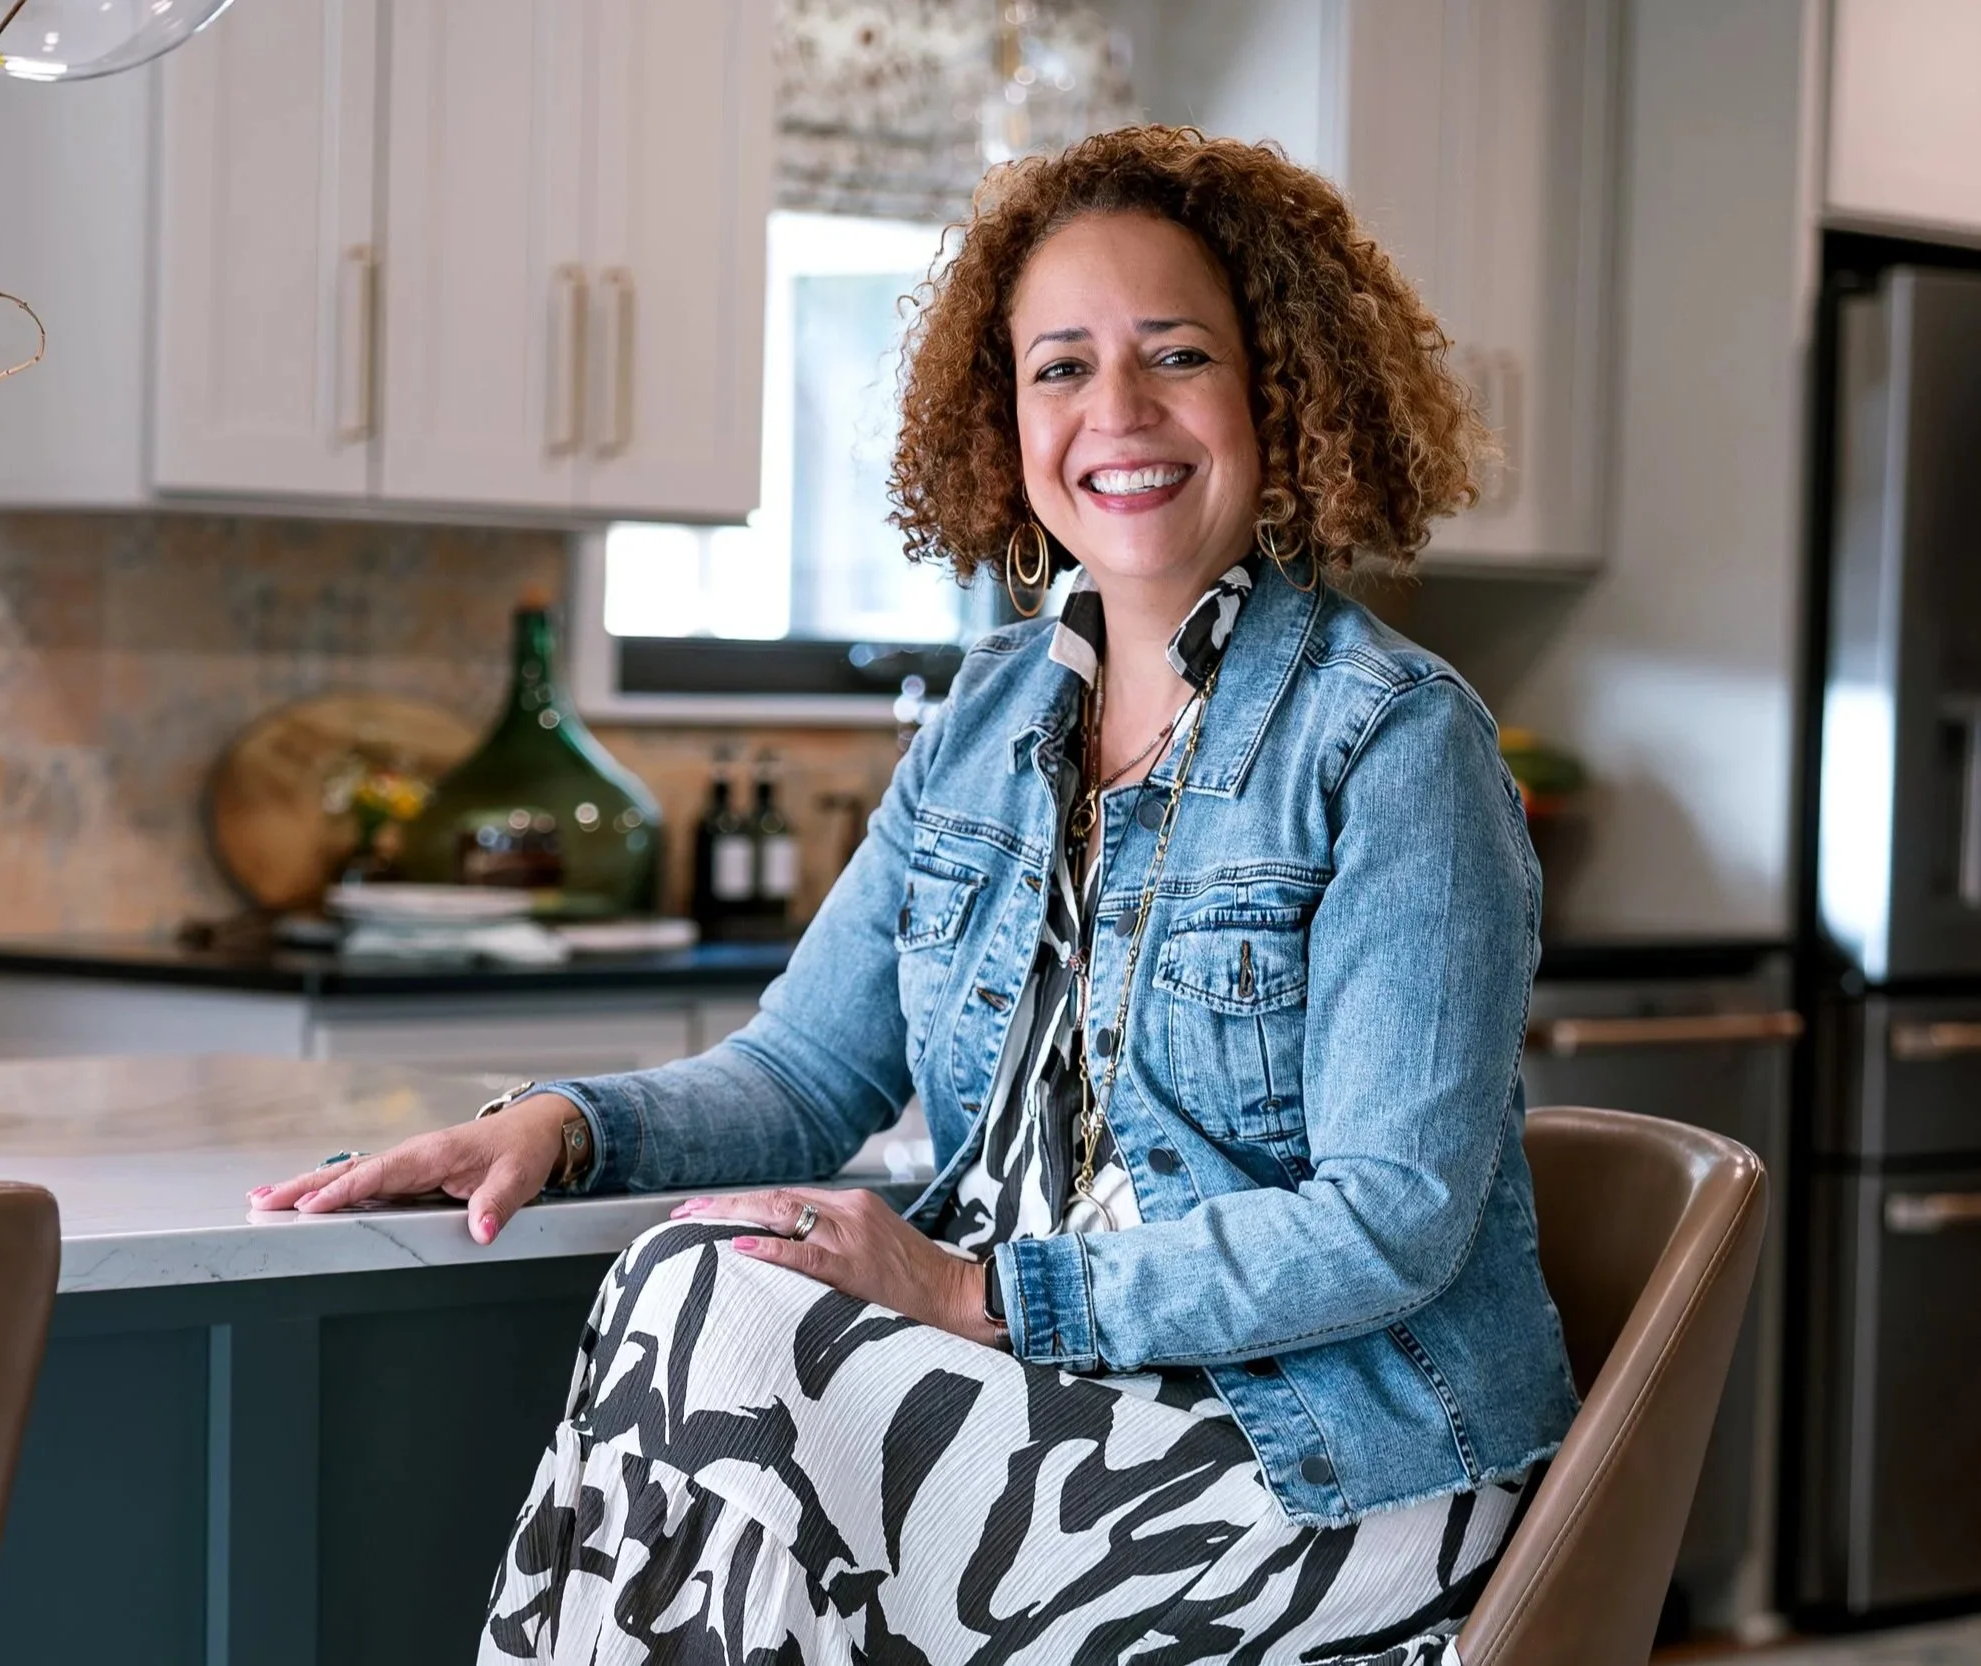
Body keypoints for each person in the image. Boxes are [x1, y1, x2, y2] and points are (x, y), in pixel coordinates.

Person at [255, 125, 1580, 1665]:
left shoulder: (1394, 741)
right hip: (1067, 1393)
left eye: (1177, 355)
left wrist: (975, 1289)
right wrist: (556, 1126)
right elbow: (808, 1070)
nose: (1119, 413)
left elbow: (1390, 1223)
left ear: (1281, 391)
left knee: (729, 1337)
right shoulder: (987, 722)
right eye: (1061, 367)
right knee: (690, 1275)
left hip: (1336, 1463)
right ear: (1002, 413)